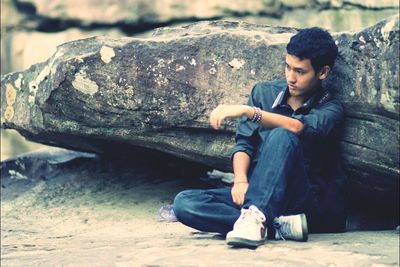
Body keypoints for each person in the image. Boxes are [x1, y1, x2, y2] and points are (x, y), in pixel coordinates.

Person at [172, 27, 347, 248]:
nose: (291, 78)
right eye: (287, 67)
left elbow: (295, 127)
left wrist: (249, 112)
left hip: (303, 203)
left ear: (323, 73)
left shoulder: (331, 108)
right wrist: (241, 181)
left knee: (282, 136)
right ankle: (275, 226)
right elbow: (244, 144)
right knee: (185, 204)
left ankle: (257, 218)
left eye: (300, 72)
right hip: (259, 192)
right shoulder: (264, 92)